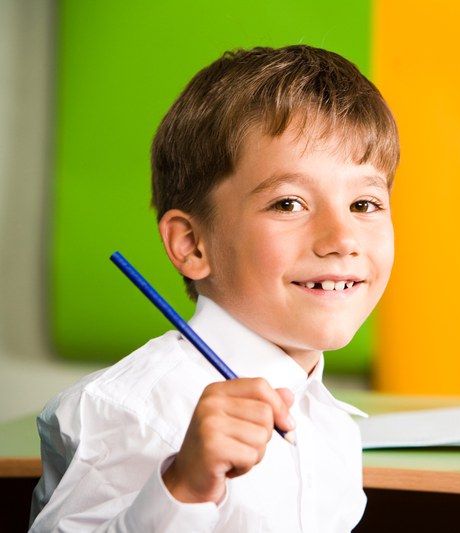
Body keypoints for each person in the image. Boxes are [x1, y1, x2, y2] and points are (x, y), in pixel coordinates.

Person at [29, 44, 399, 532]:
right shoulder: (129, 411)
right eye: (288, 204)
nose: (342, 239)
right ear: (191, 244)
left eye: (365, 204)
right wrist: (182, 487)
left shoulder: (331, 424)